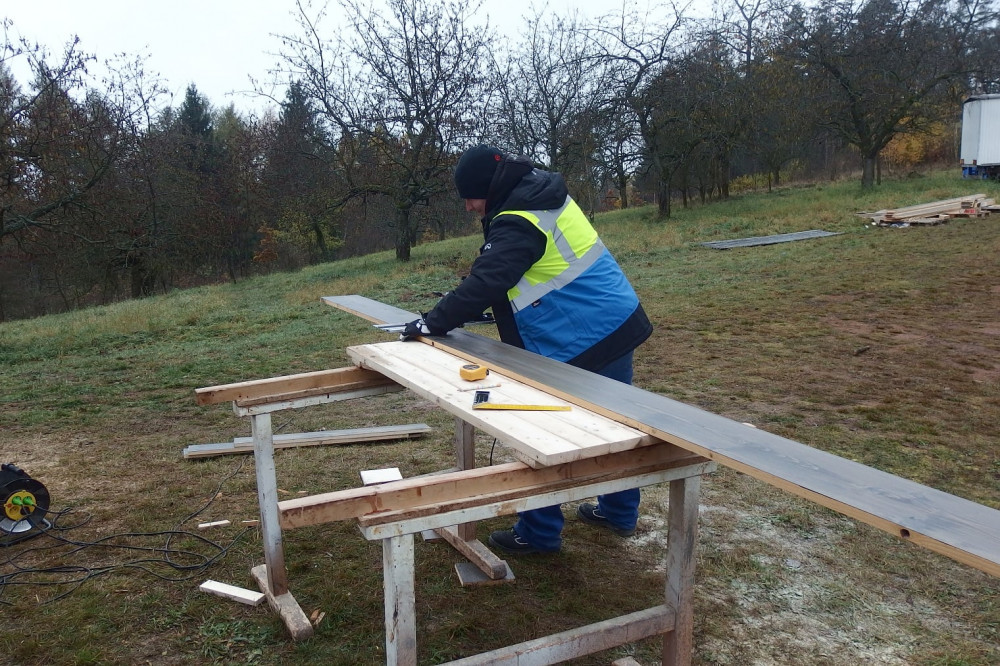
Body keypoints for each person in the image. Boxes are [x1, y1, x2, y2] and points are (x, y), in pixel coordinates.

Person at [399, 144, 653, 555]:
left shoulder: (520, 218)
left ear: (488, 188)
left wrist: (433, 321)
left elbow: (489, 279)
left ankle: (538, 533)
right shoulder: (538, 195)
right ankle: (619, 512)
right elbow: (516, 272)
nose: (469, 207)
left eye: (471, 197)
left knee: (541, 434)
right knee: (617, 425)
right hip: (612, 319)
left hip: (581, 332)